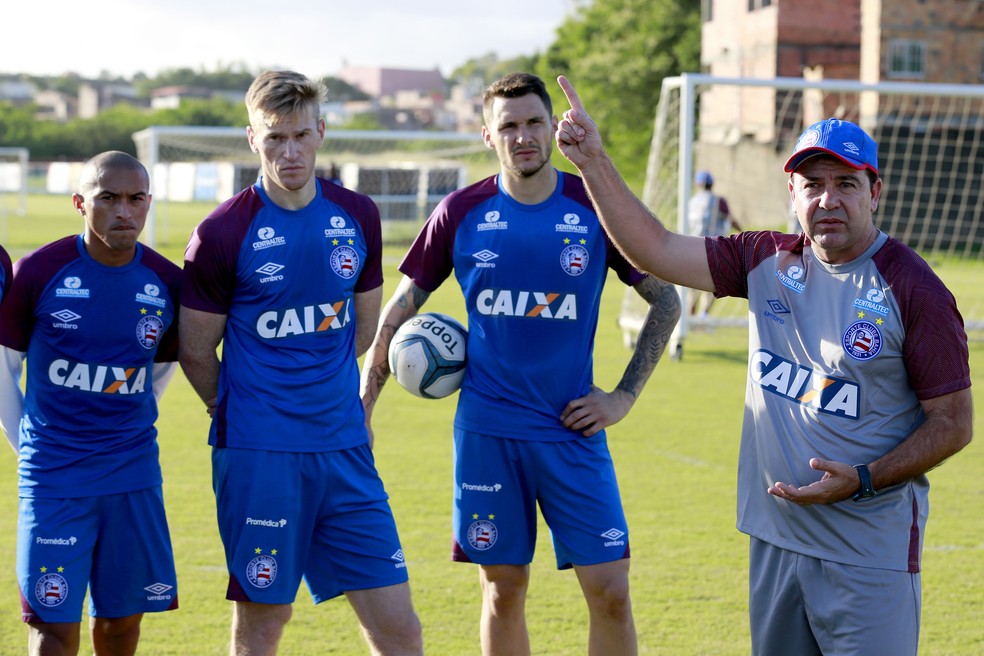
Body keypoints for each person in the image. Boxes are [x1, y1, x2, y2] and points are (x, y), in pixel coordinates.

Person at [555, 77, 973, 655]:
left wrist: (867, 478)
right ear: (792, 195)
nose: (828, 200)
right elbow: (652, 247)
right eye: (813, 185)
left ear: (875, 192)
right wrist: (593, 163)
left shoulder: (914, 288)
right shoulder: (763, 259)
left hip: (867, 553)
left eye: (846, 184)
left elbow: (953, 423)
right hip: (774, 539)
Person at [360, 72, 681, 656]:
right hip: (488, 433)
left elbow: (667, 299)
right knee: (503, 590)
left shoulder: (594, 207)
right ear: (488, 135)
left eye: (535, 122)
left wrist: (623, 396)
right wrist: (365, 404)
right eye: (509, 126)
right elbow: (399, 313)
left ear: (551, 127)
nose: (524, 136)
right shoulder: (460, 212)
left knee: (611, 590)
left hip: (571, 431)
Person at [179, 70, 422, 656]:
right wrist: (233, 405)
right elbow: (193, 348)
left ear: (321, 132)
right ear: (251, 139)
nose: (289, 151)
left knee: (398, 625)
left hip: (343, 449)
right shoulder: (221, 232)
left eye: (300, 136)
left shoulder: (358, 215)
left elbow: (364, 332)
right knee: (264, 621)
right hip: (261, 454)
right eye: (274, 137)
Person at [0, 151, 181, 656]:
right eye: (108, 198)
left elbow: (160, 371)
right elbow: (2, 370)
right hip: (55, 479)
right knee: (52, 628)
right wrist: (30, 447)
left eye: (135, 198)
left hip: (132, 476)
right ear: (81, 203)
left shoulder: (167, 283)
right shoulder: (39, 272)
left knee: (122, 626)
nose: (124, 210)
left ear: (148, 203)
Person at [685, 170, 740, 316]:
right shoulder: (718, 201)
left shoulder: (691, 202)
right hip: (713, 247)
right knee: (713, 283)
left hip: (692, 244)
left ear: (698, 184)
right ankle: (703, 314)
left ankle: (690, 314)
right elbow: (730, 218)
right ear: (712, 184)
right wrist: (741, 230)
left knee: (693, 283)